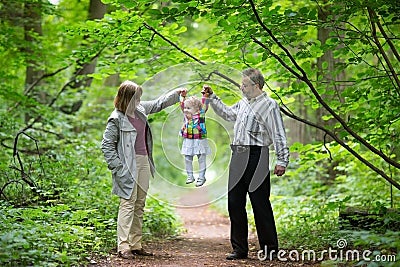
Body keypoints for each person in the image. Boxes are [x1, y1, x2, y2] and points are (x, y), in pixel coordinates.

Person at [204, 68, 289, 261]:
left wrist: (282, 160)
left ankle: (270, 250)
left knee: (260, 204)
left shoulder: (270, 105)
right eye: (241, 84)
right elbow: (227, 113)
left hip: (257, 156)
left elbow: (278, 134)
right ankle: (239, 249)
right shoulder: (243, 103)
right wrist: (212, 97)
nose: (241, 88)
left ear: (256, 86)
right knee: (234, 202)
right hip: (238, 155)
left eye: (245, 85)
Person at [101, 80, 186, 260]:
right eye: (136, 98)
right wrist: (118, 168)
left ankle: (135, 244)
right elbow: (107, 146)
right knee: (128, 203)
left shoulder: (140, 110)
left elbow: (157, 104)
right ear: (126, 98)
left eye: (139, 97)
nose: (139, 100)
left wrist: (176, 93)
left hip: (143, 162)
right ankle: (123, 246)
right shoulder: (115, 119)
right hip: (127, 165)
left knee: (139, 204)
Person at [179, 88, 211, 187]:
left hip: (199, 140)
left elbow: (204, 106)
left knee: (201, 159)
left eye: (188, 108)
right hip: (189, 140)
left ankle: (201, 177)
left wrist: (205, 96)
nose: (185, 110)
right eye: (185, 108)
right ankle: (190, 176)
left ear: (197, 110)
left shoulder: (201, 114)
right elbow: (182, 105)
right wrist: (183, 96)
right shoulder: (186, 116)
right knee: (187, 158)